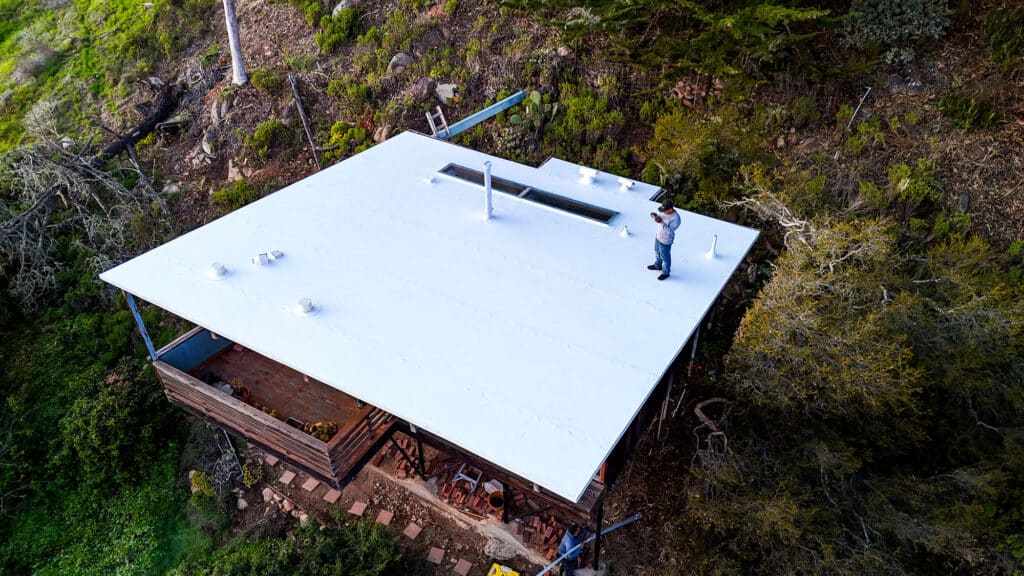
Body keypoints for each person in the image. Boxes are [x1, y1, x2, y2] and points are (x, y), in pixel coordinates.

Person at [647, 199, 681, 281]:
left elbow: (670, 231)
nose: (662, 212)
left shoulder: (676, 219)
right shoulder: (663, 211)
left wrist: (660, 222)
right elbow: (659, 217)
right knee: (657, 251)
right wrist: (655, 217)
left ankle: (666, 273)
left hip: (666, 240)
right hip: (658, 236)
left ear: (670, 209)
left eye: (664, 210)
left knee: (665, 257)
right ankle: (657, 265)